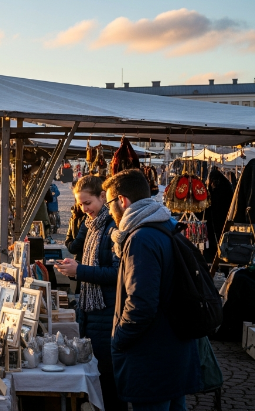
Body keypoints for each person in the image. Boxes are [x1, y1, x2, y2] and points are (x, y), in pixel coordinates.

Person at [103, 169, 202, 410]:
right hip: (174, 349)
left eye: (109, 203)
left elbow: (141, 304)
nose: (108, 210)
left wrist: (119, 338)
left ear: (122, 200)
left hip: (152, 357)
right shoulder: (166, 224)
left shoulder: (141, 238)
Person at [54, 176, 125, 411]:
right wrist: (75, 269)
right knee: (99, 377)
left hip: (107, 313)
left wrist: (80, 271)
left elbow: (117, 274)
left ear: (103, 197)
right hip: (91, 312)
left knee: (108, 382)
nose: (85, 209)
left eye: (88, 203)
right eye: (81, 205)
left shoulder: (113, 228)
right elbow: (78, 251)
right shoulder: (91, 225)